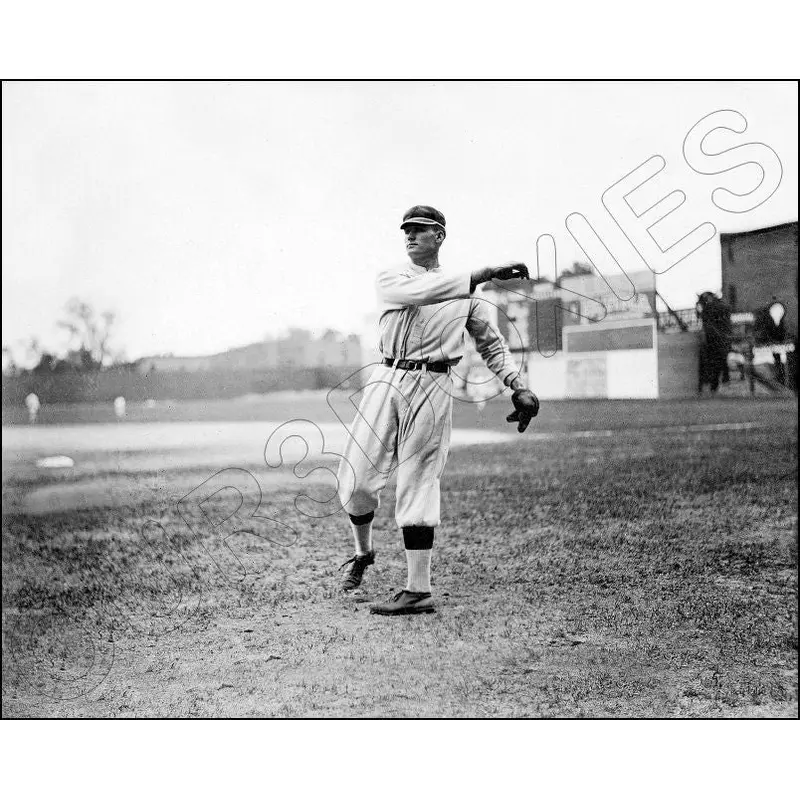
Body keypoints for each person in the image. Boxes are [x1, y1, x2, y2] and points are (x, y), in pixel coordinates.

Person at [336, 205, 539, 615]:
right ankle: (363, 553)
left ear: (439, 236)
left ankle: (418, 589)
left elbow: (491, 343)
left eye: (420, 230)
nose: (410, 236)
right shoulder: (392, 277)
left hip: (433, 383)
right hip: (386, 377)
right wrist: (483, 274)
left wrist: (518, 386)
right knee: (356, 479)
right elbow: (426, 291)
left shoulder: (467, 293)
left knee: (419, 480)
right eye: (406, 230)